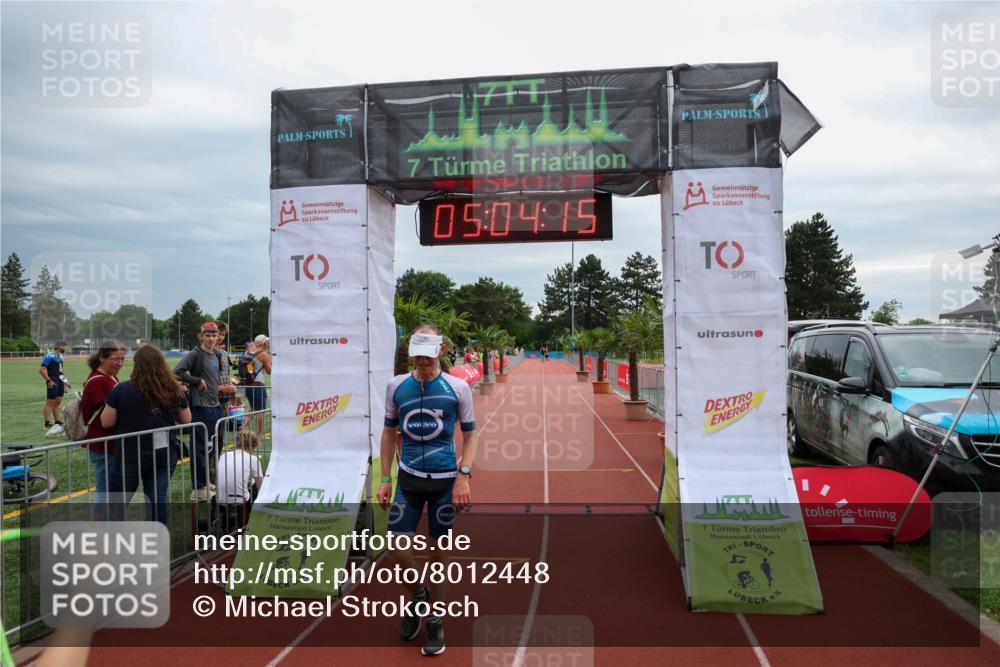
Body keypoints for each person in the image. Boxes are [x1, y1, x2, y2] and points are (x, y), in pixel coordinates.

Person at [377, 324, 478, 657]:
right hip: (408, 480)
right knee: (395, 546)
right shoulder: (396, 386)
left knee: (439, 553)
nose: (422, 361)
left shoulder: (458, 388)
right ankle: (419, 596)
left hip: (445, 483)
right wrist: (385, 478)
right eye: (417, 354)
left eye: (428, 354)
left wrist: (464, 475)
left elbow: (471, 434)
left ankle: (435, 619)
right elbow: (389, 433)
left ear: (442, 350)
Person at [101, 345, 191, 525]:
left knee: (117, 504)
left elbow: (106, 422)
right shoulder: (174, 388)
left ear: (137, 365)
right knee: (157, 502)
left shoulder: (123, 389)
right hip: (163, 455)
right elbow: (187, 419)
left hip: (130, 455)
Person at [173, 322, 237, 500]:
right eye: (207, 335)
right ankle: (198, 489)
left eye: (214, 335)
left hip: (215, 405)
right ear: (202, 336)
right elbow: (176, 372)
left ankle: (204, 482)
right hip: (201, 406)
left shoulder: (216, 353)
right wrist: (196, 381)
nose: (211, 339)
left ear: (218, 337)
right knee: (199, 448)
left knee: (210, 448)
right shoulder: (195, 354)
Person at [80, 340, 127, 504]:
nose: (120, 363)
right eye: (116, 359)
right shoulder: (100, 381)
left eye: (122, 359)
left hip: (108, 443)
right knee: (105, 491)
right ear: (102, 357)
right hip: (104, 445)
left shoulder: (109, 377)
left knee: (110, 489)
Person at [216, 430, 264, 530]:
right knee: (258, 488)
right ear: (252, 447)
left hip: (220, 498)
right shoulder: (253, 459)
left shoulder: (224, 455)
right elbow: (261, 487)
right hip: (240, 500)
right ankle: (256, 522)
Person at [39, 341, 71, 435]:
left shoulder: (61, 356)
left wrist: (66, 381)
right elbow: (41, 369)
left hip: (60, 380)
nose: (65, 348)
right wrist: (49, 381)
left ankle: (57, 421)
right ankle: (47, 423)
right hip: (52, 379)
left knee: (58, 401)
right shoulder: (49, 356)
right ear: (59, 347)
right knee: (50, 401)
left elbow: (61, 369)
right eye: (64, 347)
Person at [243, 334, 272, 435]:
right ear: (264, 343)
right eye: (267, 342)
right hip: (258, 385)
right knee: (261, 411)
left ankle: (243, 428)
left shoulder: (248, 351)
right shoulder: (263, 354)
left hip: (248, 385)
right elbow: (269, 371)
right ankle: (260, 434)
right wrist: (270, 361)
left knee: (253, 409)